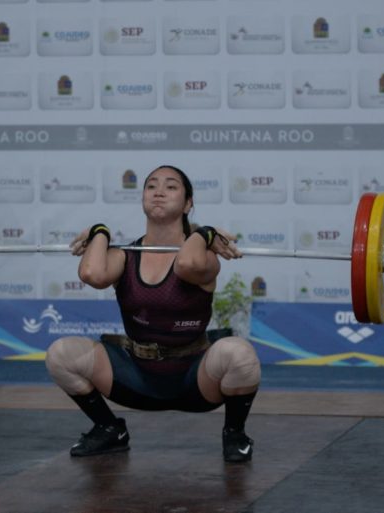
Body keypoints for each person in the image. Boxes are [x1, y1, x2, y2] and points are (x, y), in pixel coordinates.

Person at [45, 165, 261, 463]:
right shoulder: (125, 255)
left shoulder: (205, 257)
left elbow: (185, 264)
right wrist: (100, 231)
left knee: (240, 354)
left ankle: (235, 434)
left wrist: (203, 234)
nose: (159, 191)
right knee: (61, 354)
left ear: (188, 203)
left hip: (195, 379)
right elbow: (92, 272)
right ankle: (109, 429)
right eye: (151, 186)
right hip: (136, 376)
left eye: (171, 187)